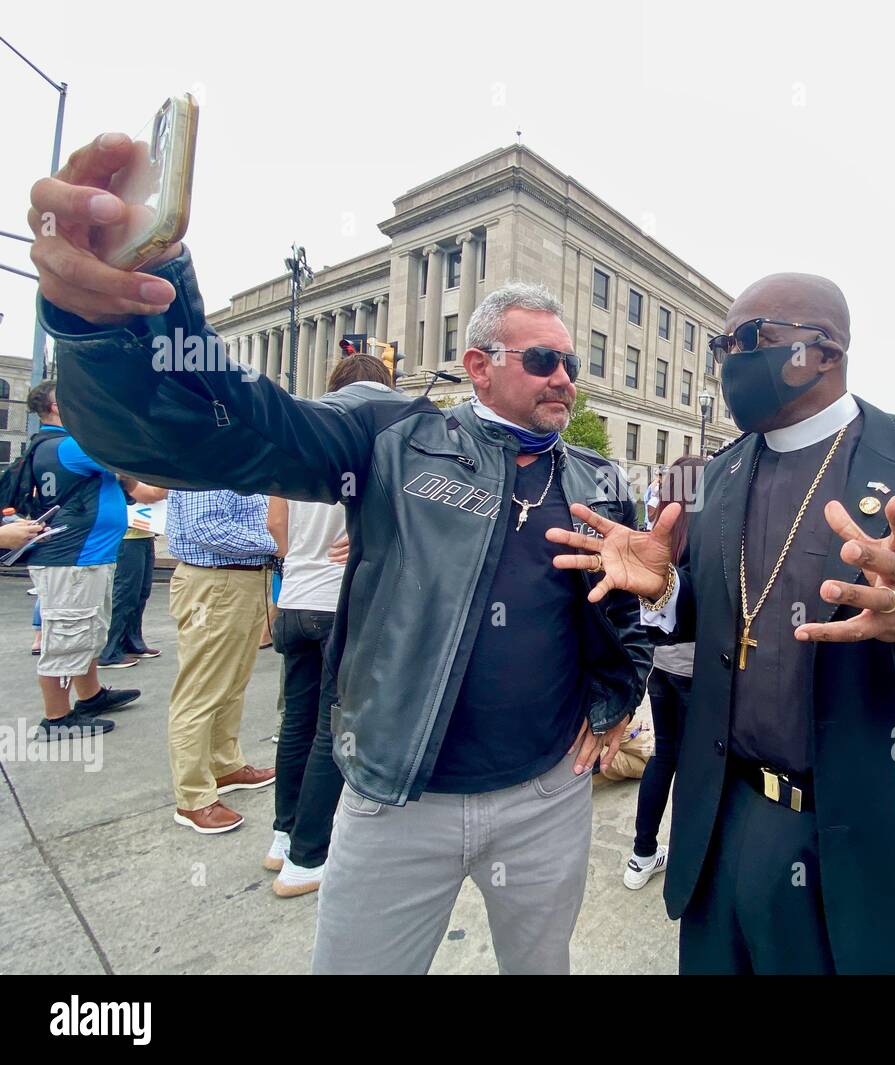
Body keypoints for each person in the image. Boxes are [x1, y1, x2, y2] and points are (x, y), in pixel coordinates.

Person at [28, 132, 651, 974]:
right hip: (400, 798)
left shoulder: (599, 479)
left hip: (546, 798)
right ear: (479, 364)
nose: (566, 379)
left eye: (571, 363)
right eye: (543, 360)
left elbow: (628, 613)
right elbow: (217, 431)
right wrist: (113, 329)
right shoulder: (388, 433)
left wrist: (617, 696)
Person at [547, 272, 895, 974]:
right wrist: (666, 588)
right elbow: (726, 614)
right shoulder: (721, 477)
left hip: (884, 846)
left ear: (826, 352)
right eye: (720, 344)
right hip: (728, 830)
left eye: (751, 340)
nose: (730, 359)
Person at [265, 353, 393, 899]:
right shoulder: (370, 442)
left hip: (294, 598)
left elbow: (276, 523)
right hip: (337, 603)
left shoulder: (298, 441)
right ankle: (307, 856)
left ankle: (282, 834)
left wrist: (301, 560)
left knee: (296, 722)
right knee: (330, 731)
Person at [22, 382, 140, 738]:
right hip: (73, 559)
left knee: (85, 631)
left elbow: (126, 476)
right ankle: (56, 718)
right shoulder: (69, 445)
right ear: (58, 407)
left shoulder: (58, 445)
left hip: (83, 557)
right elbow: (128, 456)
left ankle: (89, 695)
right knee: (67, 636)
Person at [164, 489, 279, 833]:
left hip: (240, 579)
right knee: (201, 689)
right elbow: (208, 529)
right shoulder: (209, 461)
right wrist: (277, 542)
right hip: (216, 580)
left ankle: (225, 765)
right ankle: (193, 798)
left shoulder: (231, 462)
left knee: (231, 683)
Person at [624, 455, 703, 890]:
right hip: (696, 667)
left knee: (664, 755)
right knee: (693, 763)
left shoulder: (656, 529)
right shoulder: (704, 533)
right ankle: (688, 859)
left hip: (661, 664)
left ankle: (642, 853)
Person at [98, 479, 167, 668]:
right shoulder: (125, 472)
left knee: (140, 592)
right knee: (124, 592)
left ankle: (132, 641)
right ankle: (109, 649)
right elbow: (153, 494)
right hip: (127, 538)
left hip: (144, 533)